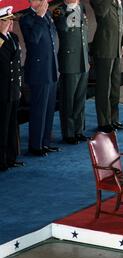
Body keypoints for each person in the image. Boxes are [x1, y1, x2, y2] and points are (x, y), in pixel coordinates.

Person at [20, 0, 60, 156]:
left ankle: (45, 142)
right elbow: (32, 40)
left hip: (50, 68)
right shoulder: (27, 18)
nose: (44, 1)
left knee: (49, 108)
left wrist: (43, 15)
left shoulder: (47, 14)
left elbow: (52, 38)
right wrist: (39, 16)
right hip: (38, 71)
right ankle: (35, 145)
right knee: (39, 110)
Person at [53, 0, 89, 145]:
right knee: (68, 100)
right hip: (69, 61)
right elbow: (64, 27)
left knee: (80, 99)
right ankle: (68, 133)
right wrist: (71, 9)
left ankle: (79, 130)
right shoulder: (59, 11)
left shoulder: (82, 6)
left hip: (82, 60)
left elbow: (83, 33)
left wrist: (86, 58)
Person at [90, 0, 123, 133]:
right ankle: (104, 122)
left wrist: (122, 41)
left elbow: (120, 21)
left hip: (116, 47)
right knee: (104, 87)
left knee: (115, 86)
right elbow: (101, 13)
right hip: (104, 47)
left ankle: (114, 119)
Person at [0, 6, 24, 171]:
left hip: (13, 89)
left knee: (12, 125)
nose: (10, 24)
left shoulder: (13, 38)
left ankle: (11, 157)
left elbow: (17, 65)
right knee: (1, 126)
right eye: (7, 21)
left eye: (11, 20)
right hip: (2, 91)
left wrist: (19, 87)